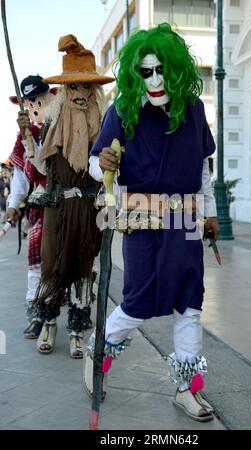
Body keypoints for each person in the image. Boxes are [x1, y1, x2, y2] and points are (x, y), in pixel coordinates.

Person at [86, 23, 219, 421]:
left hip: (186, 219)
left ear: (175, 69)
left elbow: (202, 170)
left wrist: (210, 214)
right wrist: (104, 164)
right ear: (134, 74)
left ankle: (188, 388)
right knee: (138, 302)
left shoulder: (193, 110)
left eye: (162, 69)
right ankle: (98, 358)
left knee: (189, 302)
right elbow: (96, 164)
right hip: (140, 216)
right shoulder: (123, 109)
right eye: (146, 72)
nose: (156, 79)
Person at [17, 35, 114, 358]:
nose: (80, 94)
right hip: (57, 206)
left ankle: (76, 328)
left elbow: (107, 171)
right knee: (51, 266)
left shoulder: (103, 127)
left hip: (88, 208)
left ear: (95, 91)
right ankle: (48, 323)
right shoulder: (52, 126)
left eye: (86, 88)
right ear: (64, 92)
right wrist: (29, 141)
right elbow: (42, 167)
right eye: (74, 88)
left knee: (83, 268)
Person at [6, 76, 57, 337]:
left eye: (39, 100)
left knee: (73, 261)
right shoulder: (24, 136)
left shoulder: (61, 127)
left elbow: (47, 166)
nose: (35, 107)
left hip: (66, 203)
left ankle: (77, 317)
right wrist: (14, 205)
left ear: (49, 98)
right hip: (39, 207)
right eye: (29, 103)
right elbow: (21, 176)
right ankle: (38, 315)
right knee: (37, 263)